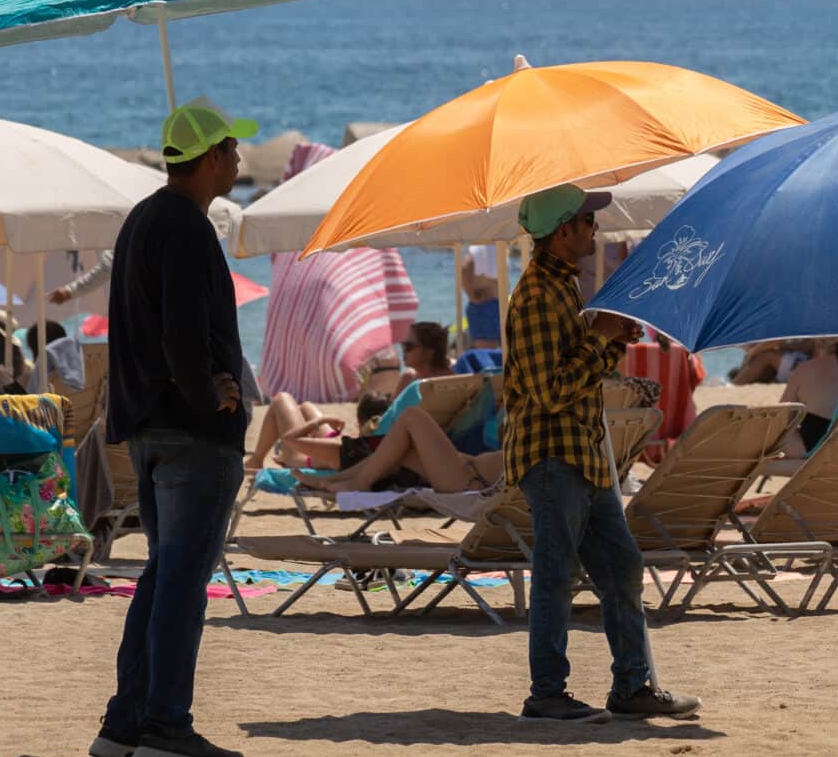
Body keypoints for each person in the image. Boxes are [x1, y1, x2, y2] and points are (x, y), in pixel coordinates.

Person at [96, 99, 257, 757]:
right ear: (211, 157)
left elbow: (147, 328)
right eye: (233, 150)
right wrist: (208, 391)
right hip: (191, 430)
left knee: (164, 575)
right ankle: (164, 721)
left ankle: (125, 722)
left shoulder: (141, 219)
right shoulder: (187, 226)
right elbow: (184, 330)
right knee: (183, 579)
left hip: (149, 425)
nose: (241, 160)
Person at [504, 183, 696, 723]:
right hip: (554, 457)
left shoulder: (560, 289)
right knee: (556, 574)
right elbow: (550, 391)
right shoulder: (540, 296)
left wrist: (606, 336)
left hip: (580, 456)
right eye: (587, 222)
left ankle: (631, 686)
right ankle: (547, 692)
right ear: (562, 231)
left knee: (621, 567)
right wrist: (600, 337)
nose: (595, 229)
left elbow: (572, 376)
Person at [291, 405, 502, 494]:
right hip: (467, 472)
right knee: (402, 451)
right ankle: (328, 482)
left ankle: (361, 481)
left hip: (466, 479)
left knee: (412, 416)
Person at [777, 338, 838, 456]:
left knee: (781, 431)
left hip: (809, 447)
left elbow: (782, 417)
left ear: (820, 343)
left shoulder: (804, 369)